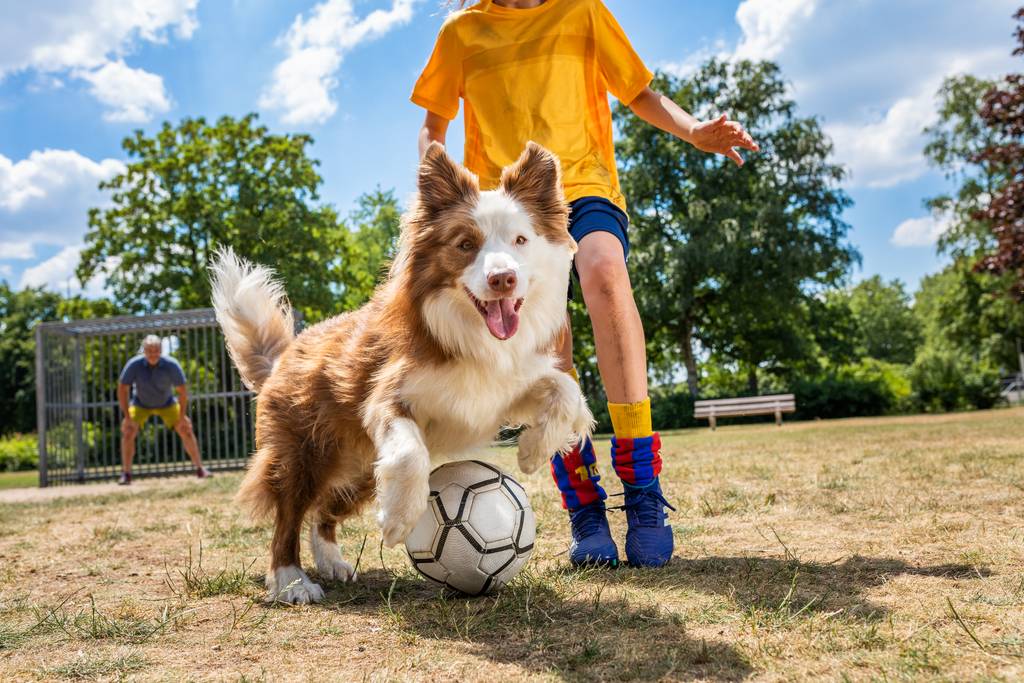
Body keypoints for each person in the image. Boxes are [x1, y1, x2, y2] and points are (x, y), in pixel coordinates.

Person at [412, 0, 758, 567]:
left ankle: (642, 488)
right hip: (504, 212)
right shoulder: (461, 33)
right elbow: (434, 122)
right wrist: (438, 196)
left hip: (582, 183)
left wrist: (695, 131)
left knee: (603, 269)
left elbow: (639, 91)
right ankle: (583, 506)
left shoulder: (583, 12)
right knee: (546, 338)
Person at [117, 335, 211, 484]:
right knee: (128, 431)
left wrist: (181, 418)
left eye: (156, 350)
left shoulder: (171, 365)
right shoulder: (134, 364)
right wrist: (127, 417)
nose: (153, 354)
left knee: (186, 429)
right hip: (140, 404)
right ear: (144, 351)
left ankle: (200, 469)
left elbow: (182, 392)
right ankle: (126, 473)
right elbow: (122, 389)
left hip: (167, 403)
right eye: (149, 350)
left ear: (161, 350)